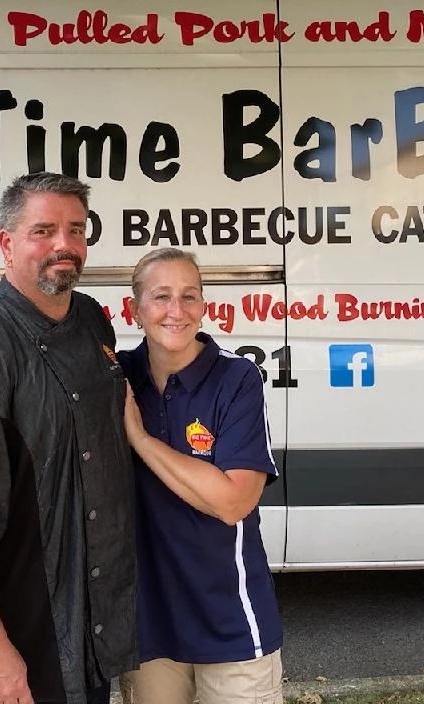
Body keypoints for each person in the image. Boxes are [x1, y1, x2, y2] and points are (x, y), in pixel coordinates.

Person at [0, 172, 136, 704]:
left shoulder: (89, 319)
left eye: (76, 230)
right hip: (24, 633)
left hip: (90, 623)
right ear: (6, 243)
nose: (64, 245)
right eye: (44, 230)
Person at [118, 247, 284, 704]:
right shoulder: (118, 377)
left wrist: (142, 439)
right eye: (161, 297)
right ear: (135, 310)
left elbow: (233, 501)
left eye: (190, 296)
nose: (177, 311)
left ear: (205, 306)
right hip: (150, 625)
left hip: (230, 620)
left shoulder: (236, 379)